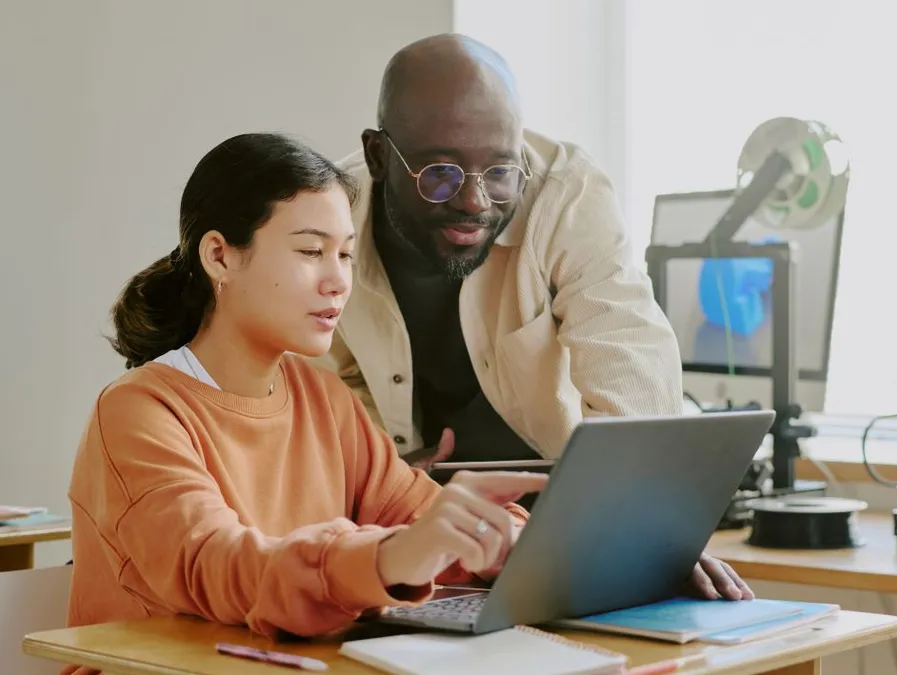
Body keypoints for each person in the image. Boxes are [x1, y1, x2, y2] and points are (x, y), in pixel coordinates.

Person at [63, 133, 549, 675]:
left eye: (344, 254)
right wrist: (391, 556)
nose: (338, 280)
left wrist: (502, 538)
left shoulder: (322, 397)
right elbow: (220, 568)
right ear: (220, 256)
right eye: (311, 252)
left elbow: (414, 512)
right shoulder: (139, 412)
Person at [317, 33, 753, 602]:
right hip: (408, 520)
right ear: (379, 156)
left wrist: (645, 528)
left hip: (569, 511)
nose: (474, 203)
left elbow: (629, 358)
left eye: (500, 171)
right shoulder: (330, 213)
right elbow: (326, 383)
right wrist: (385, 474)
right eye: (440, 174)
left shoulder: (564, 194)